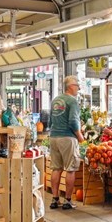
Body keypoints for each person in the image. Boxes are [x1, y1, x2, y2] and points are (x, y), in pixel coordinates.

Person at [48, 76, 84, 210]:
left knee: (56, 168)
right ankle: (68, 200)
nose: (79, 88)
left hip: (54, 137)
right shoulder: (72, 101)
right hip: (68, 138)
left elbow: (51, 120)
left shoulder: (56, 100)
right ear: (70, 86)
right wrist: (80, 137)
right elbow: (73, 122)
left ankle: (55, 199)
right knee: (70, 169)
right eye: (77, 85)